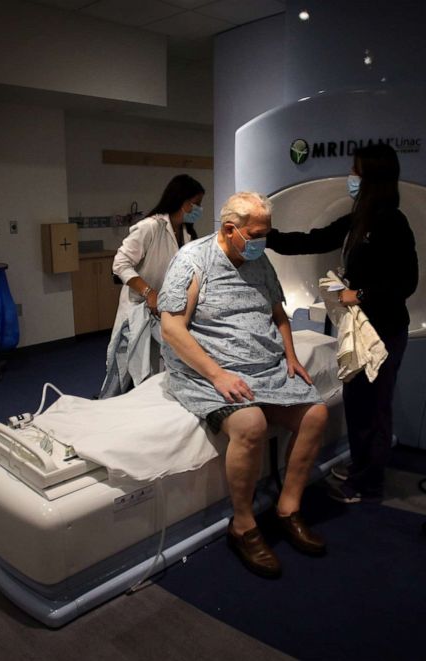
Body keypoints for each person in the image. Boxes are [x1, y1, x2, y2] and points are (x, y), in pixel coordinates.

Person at [158, 191, 329, 579]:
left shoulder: (258, 259)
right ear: (230, 229)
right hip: (208, 369)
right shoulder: (193, 261)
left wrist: (290, 355)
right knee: (250, 424)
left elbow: (279, 315)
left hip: (264, 365)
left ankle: (288, 508)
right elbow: (172, 328)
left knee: (315, 414)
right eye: (256, 234)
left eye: (266, 233)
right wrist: (217, 374)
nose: (262, 241)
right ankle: (243, 524)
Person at [265, 143, 418, 504]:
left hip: (382, 330)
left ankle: (369, 484)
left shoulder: (393, 222)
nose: (351, 176)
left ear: (372, 177)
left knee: (374, 407)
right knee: (356, 402)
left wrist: (360, 294)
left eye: (355, 170)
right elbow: (315, 240)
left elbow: (406, 282)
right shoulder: (358, 217)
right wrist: (264, 236)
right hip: (356, 328)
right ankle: (360, 466)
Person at [99, 175, 205, 398]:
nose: (199, 209)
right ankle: (105, 407)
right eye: (198, 203)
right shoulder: (150, 227)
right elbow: (120, 264)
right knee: (123, 371)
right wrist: (149, 292)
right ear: (184, 201)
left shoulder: (187, 233)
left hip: (165, 311)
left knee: (156, 372)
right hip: (138, 308)